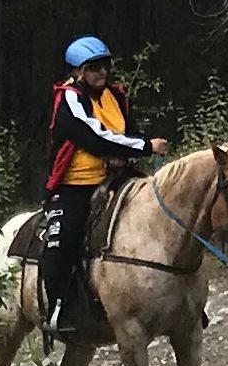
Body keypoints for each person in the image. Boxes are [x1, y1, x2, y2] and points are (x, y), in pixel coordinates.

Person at [38, 36, 164, 344]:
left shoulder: (115, 95)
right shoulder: (68, 99)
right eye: (94, 68)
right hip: (77, 185)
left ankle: (178, 301)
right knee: (64, 237)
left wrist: (134, 146)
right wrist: (145, 147)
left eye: (105, 66)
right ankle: (56, 311)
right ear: (78, 71)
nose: (102, 73)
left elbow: (127, 130)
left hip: (118, 177)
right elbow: (94, 138)